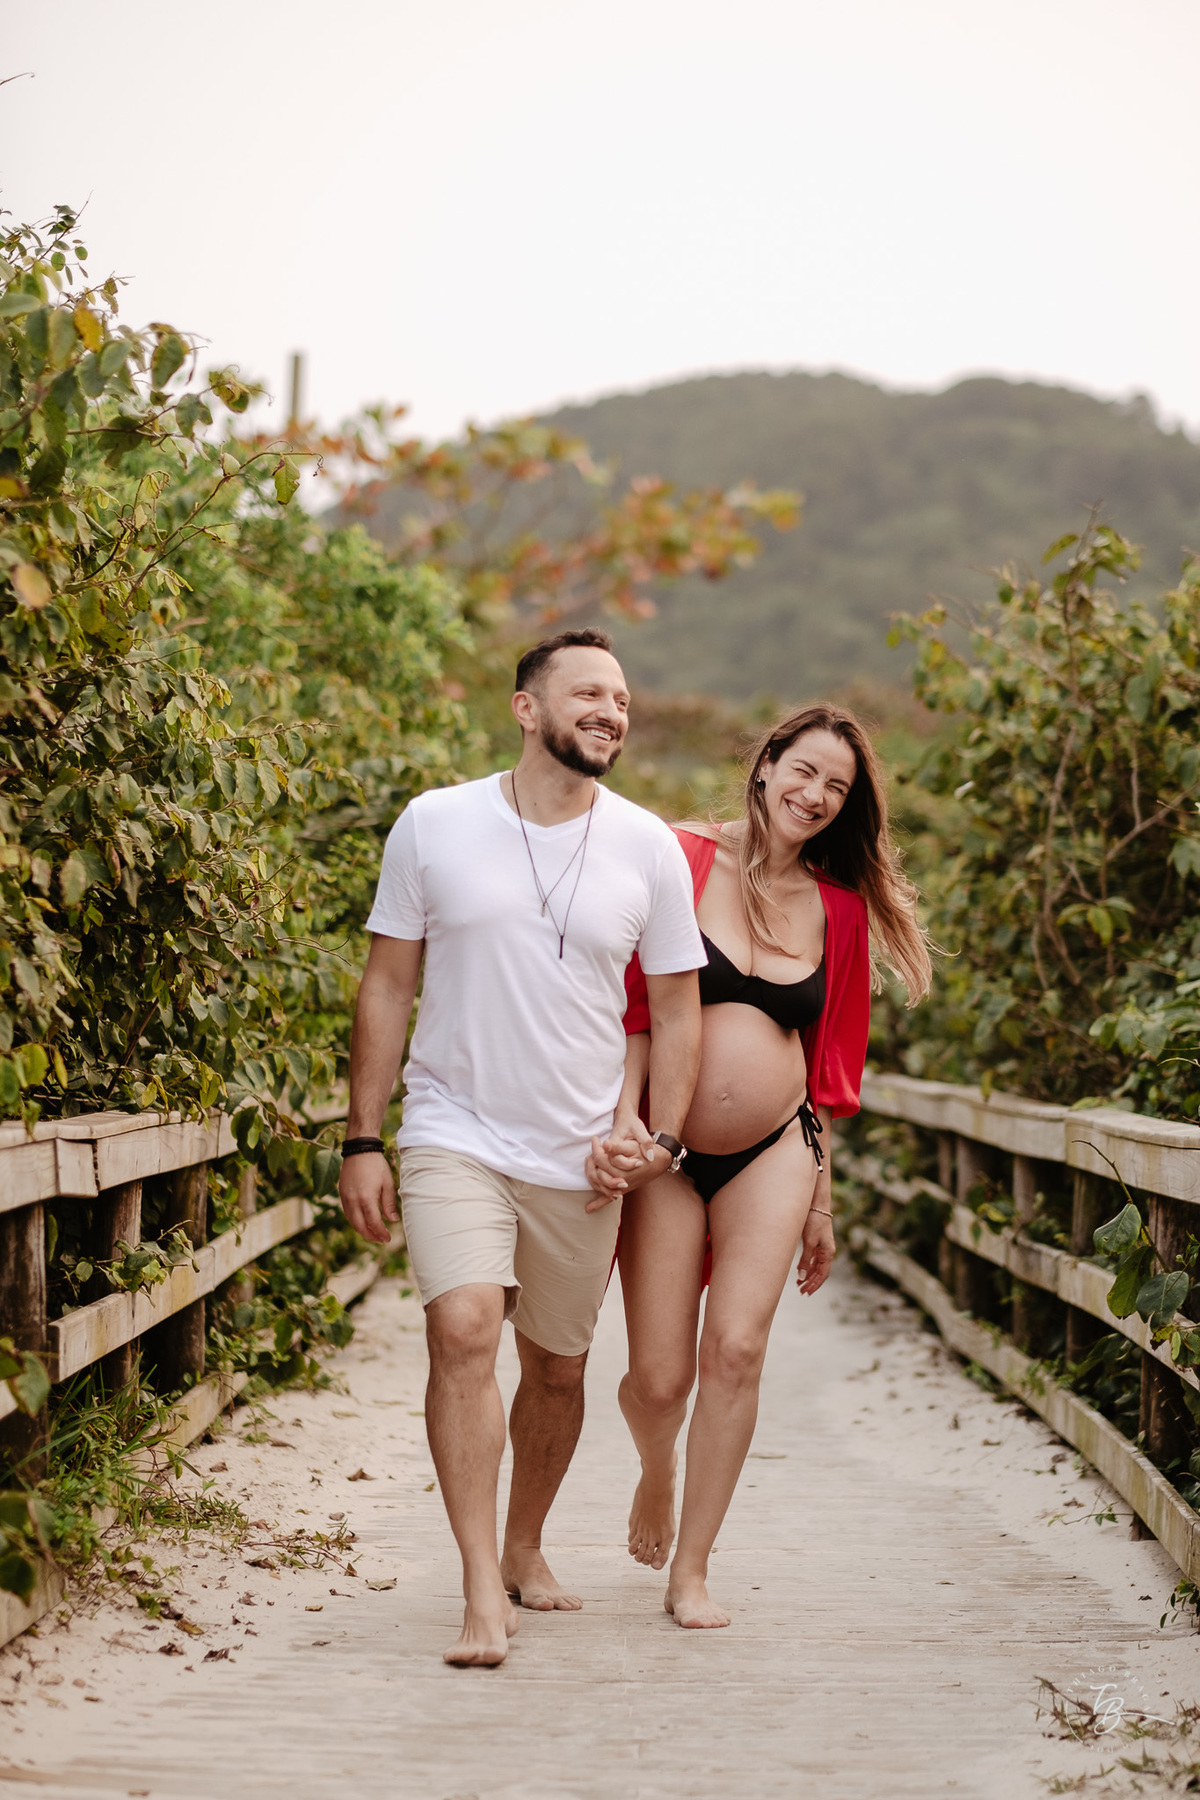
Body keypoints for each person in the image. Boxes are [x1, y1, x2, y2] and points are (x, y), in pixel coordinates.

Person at [337, 628, 705, 1667]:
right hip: (452, 1127)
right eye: (588, 692)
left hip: (581, 1156)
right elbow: (387, 986)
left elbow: (678, 1012)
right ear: (526, 708)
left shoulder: (646, 848)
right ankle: (474, 1593)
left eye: (624, 699)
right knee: (461, 1331)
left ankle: (523, 1546)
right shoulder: (435, 824)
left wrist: (662, 1140)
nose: (612, 711)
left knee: (555, 1369)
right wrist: (363, 1136)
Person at [591, 703, 932, 1629]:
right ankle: (657, 1466)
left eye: (838, 788)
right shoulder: (677, 854)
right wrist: (625, 1122)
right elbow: (629, 1005)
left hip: (778, 1150)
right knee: (658, 1380)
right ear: (767, 761)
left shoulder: (840, 910)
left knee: (736, 1350)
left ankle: (693, 1571)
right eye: (805, 771)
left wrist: (822, 1203)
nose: (816, 796)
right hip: (665, 1149)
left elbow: (828, 1070)